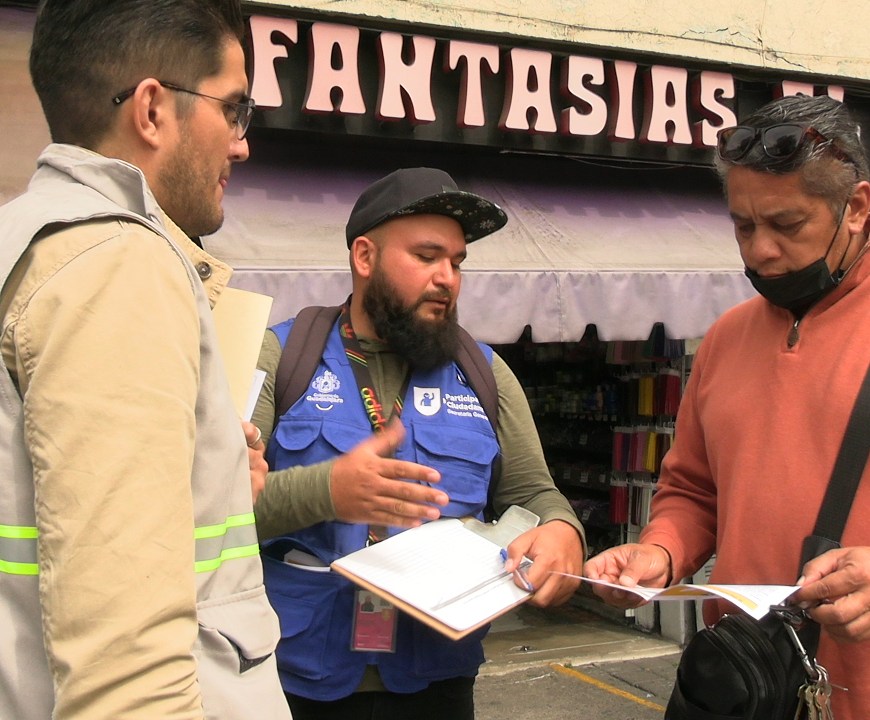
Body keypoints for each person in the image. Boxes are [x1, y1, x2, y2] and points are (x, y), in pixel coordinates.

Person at [0, 1, 291, 718]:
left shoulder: (25, 239)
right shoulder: (118, 265)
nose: (242, 143)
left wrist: (209, 480)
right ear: (154, 110)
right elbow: (126, 683)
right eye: (235, 108)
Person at [250, 167, 585, 720]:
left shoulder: (485, 374)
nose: (447, 278)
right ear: (365, 257)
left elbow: (536, 494)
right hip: (291, 680)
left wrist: (562, 532)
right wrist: (326, 491)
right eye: (427, 257)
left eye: (457, 262)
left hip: (437, 685)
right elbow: (212, 510)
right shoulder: (279, 358)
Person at [583, 94, 870, 719]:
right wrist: (659, 550)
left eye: (787, 225)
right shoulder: (727, 337)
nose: (760, 250)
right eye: (744, 226)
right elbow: (692, 489)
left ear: (856, 208)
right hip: (745, 690)